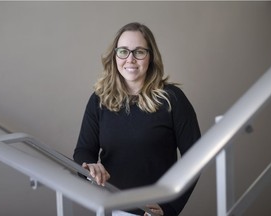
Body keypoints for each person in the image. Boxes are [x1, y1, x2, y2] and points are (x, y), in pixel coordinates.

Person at [73, 22, 201, 216]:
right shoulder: (99, 99)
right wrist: (90, 167)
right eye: (123, 51)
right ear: (115, 56)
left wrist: (169, 208)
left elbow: (196, 157)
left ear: (150, 57)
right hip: (110, 207)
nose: (130, 59)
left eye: (139, 52)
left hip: (152, 212)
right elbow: (83, 151)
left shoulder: (172, 98)